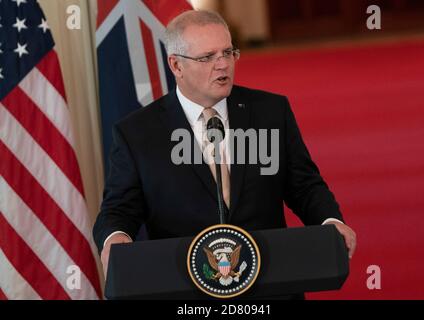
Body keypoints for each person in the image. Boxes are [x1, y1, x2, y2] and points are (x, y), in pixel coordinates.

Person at [93, 10, 356, 280]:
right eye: (207, 57)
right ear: (176, 65)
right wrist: (116, 236)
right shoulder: (137, 133)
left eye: (228, 53)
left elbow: (304, 185)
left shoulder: (270, 112)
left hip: (269, 278)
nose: (223, 65)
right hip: (185, 285)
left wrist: (330, 221)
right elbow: (120, 207)